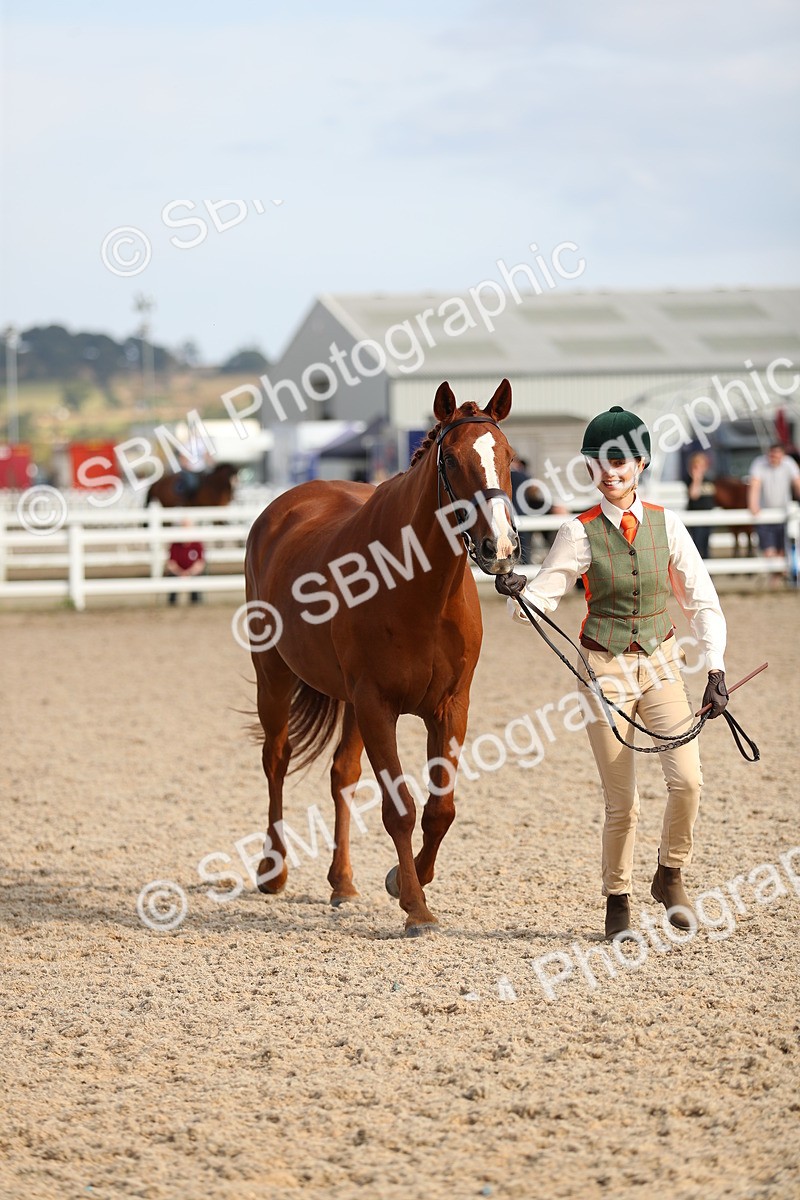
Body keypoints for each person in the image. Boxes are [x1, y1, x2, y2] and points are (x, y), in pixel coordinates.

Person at [496, 406, 729, 941]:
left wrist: (715, 668)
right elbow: (539, 601)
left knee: (688, 780)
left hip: (663, 663)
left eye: (619, 460)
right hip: (602, 669)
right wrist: (516, 591)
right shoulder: (577, 533)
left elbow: (703, 604)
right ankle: (617, 897)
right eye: (598, 461)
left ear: (641, 463)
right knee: (622, 799)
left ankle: (670, 873)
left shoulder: (668, 525)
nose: (609, 471)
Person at [747, 443, 800, 577]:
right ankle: (776, 579)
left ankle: (778, 580)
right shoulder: (759, 463)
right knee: (769, 551)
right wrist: (753, 504)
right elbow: (755, 484)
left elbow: (797, 483)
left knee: (783, 550)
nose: (774, 458)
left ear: (782, 455)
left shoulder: (789, 464)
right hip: (765, 514)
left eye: (777, 455)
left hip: (784, 514)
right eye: (772, 455)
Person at [684, 451, 716, 559]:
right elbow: (694, 495)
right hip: (695, 517)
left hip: (708, 517)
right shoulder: (690, 480)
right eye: (697, 466)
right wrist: (697, 479)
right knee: (697, 544)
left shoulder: (709, 479)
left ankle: (707, 570)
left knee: (706, 544)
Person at [165, 530, 205, 605]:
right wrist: (181, 573)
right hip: (177, 572)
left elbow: (200, 563)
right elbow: (171, 563)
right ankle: (172, 603)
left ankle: (195, 602)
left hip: (192, 572)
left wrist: (189, 572)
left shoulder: (197, 544)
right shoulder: (175, 544)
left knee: (196, 577)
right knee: (172, 576)